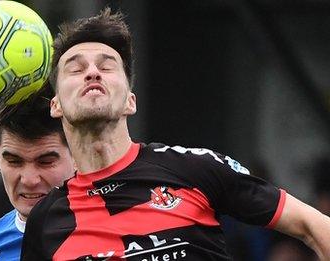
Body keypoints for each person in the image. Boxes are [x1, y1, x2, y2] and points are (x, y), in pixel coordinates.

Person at [21, 8, 330, 261]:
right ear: (56, 106)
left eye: (107, 66)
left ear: (131, 101)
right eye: (75, 69)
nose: (92, 72)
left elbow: (313, 224)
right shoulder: (46, 221)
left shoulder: (194, 167)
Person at [0, 85, 75, 260]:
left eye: (45, 162)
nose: (29, 180)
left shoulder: (113, 236)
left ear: (76, 155)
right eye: (14, 162)